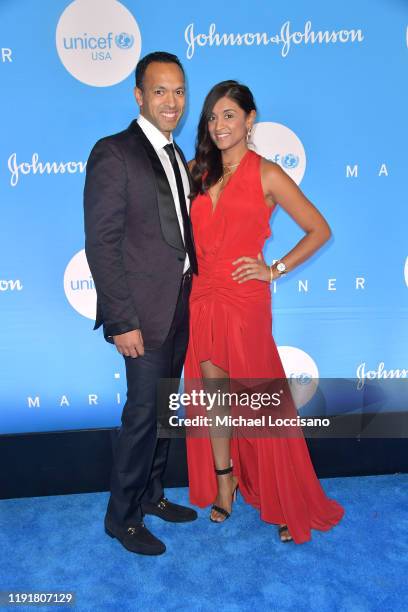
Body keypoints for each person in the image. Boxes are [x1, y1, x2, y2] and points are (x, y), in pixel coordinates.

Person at [185, 80, 344, 544]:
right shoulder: (196, 170)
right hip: (202, 295)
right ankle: (225, 482)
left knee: (259, 403)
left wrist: (273, 269)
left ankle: (280, 495)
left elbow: (319, 229)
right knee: (214, 396)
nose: (219, 125)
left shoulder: (268, 173)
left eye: (229, 115)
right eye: (213, 117)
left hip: (243, 298)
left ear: (250, 119)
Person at [84, 51, 198, 556]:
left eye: (178, 91)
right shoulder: (114, 152)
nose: (171, 101)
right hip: (141, 316)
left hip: (180, 306)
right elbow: (102, 244)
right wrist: (121, 320)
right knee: (142, 414)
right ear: (138, 95)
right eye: (160, 90)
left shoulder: (175, 155)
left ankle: (151, 495)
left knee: (167, 411)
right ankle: (122, 516)